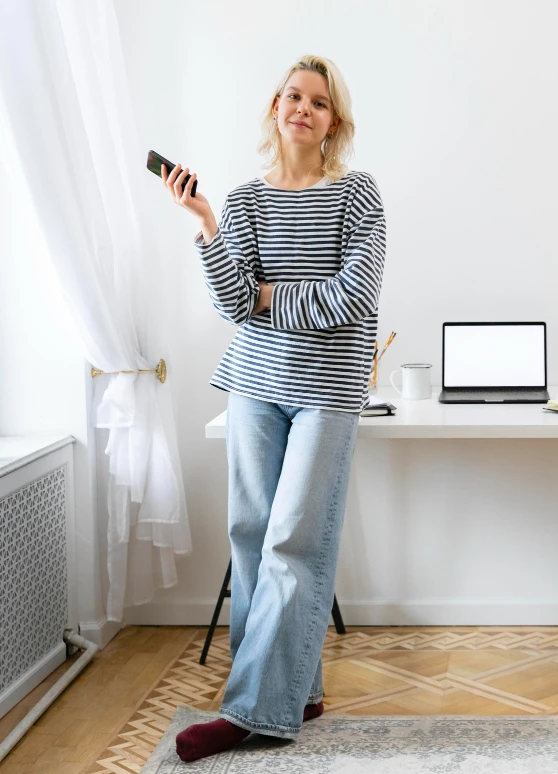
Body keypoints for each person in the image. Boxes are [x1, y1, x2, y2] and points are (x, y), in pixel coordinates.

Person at [159, 54, 387, 762]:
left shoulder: (359, 196)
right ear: (275, 108)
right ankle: (301, 690)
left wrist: (267, 297)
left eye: (319, 102)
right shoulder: (245, 202)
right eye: (293, 96)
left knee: (295, 539)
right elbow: (233, 301)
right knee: (252, 537)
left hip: (329, 389)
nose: (303, 109)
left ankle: (251, 710)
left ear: (334, 122)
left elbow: (354, 298)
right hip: (256, 384)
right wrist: (205, 224)